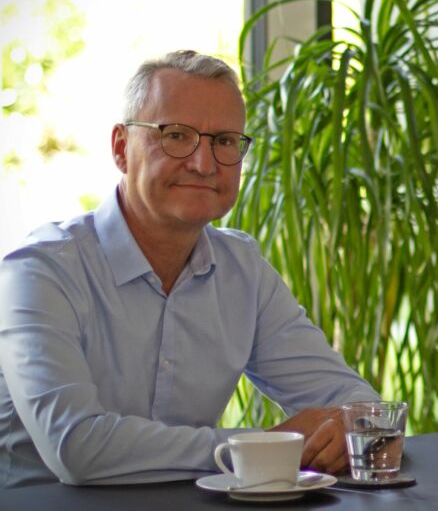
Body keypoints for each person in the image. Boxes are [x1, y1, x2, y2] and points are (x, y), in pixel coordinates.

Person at [0, 51, 381, 487]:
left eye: (224, 141)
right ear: (122, 148)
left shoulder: (242, 271)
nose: (204, 164)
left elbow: (356, 405)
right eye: (176, 135)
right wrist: (261, 447)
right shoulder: (40, 272)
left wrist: (348, 427)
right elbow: (77, 446)